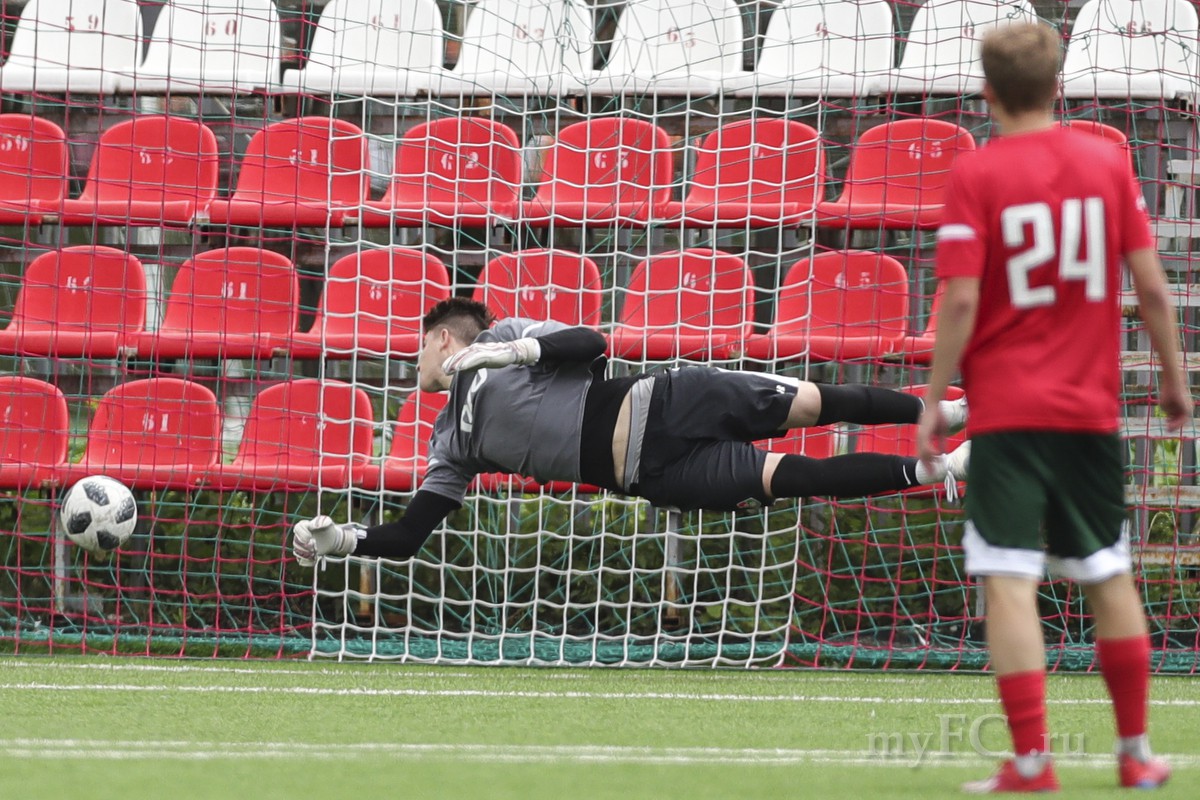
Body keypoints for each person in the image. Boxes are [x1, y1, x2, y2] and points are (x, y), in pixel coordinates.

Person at [916, 22, 1192, 794]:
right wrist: (1174, 381)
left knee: (1008, 578)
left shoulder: (976, 173)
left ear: (988, 93)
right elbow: (1153, 288)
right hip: (1088, 411)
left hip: (1007, 414)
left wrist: (934, 400)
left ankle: (1033, 763)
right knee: (1107, 573)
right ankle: (1135, 754)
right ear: (1058, 86)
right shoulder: (1106, 164)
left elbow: (961, 299)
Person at [293, 296, 970, 565]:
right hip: (655, 475)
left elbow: (592, 344)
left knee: (817, 404)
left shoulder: (505, 338)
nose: (413, 360)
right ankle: (941, 469)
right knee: (796, 478)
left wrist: (513, 352)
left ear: (444, 338)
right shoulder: (450, 444)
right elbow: (408, 538)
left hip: (671, 401)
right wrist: (342, 540)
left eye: (419, 345)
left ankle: (943, 413)